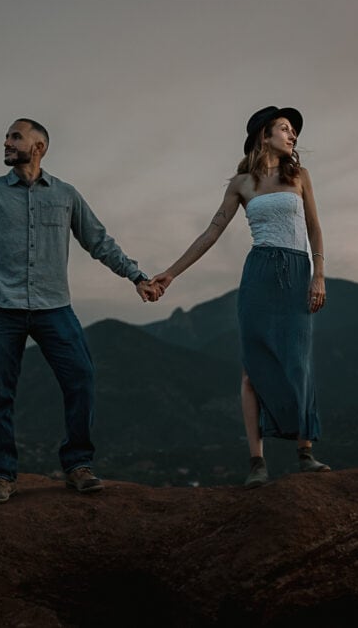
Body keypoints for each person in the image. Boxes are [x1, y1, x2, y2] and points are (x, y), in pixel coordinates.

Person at [0, 118, 158, 503]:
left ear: (39, 147)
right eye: (7, 136)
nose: (6, 142)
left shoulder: (66, 195)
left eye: (15, 137)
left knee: (81, 378)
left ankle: (77, 464)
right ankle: (2, 475)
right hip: (3, 307)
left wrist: (136, 276)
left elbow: (99, 241)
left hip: (55, 307)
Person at [151, 106, 329, 488]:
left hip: (298, 275)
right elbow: (211, 233)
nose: (292, 135)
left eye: (293, 131)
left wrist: (319, 276)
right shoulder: (241, 183)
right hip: (259, 277)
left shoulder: (300, 176)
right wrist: (171, 272)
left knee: (298, 363)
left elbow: (314, 228)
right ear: (264, 135)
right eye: (285, 128)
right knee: (252, 371)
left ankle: (305, 452)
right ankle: (256, 462)